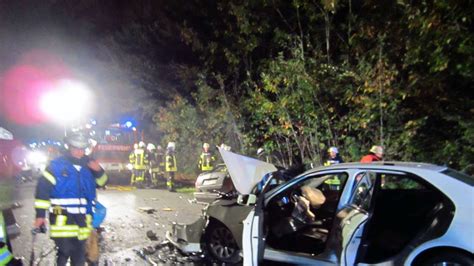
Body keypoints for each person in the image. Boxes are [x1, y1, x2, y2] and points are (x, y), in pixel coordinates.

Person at [34, 132, 108, 266]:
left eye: (82, 148)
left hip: (83, 222)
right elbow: (42, 191)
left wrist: (99, 171)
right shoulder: (56, 166)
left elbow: (102, 182)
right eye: (75, 148)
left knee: (79, 257)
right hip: (62, 220)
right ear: (69, 147)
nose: (79, 151)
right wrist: (40, 215)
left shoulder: (89, 166)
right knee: (64, 253)